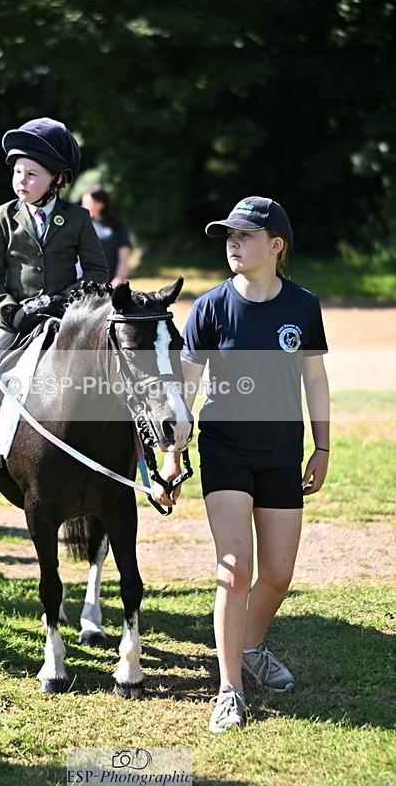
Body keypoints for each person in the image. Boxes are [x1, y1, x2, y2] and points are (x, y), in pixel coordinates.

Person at [152, 196, 330, 732]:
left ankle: (250, 647)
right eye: (228, 235)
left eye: (245, 235)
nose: (233, 242)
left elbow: (315, 380)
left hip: (282, 455)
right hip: (224, 449)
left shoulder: (303, 306)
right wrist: (172, 452)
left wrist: (323, 447)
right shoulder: (208, 307)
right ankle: (228, 688)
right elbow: (187, 386)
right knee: (236, 568)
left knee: (277, 575)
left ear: (275, 245)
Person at [0, 117, 109, 473]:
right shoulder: (3, 216)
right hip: (13, 316)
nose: (21, 182)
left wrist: (66, 300)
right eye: (17, 172)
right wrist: (9, 309)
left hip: (64, 315)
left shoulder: (77, 218)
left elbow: (97, 271)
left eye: (31, 174)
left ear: (57, 179)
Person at [80, 188, 132, 284]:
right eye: (83, 203)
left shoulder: (117, 227)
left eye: (88, 203)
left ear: (100, 204)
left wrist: (118, 280)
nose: (83, 207)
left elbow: (124, 258)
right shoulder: (80, 226)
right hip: (85, 285)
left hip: (110, 284)